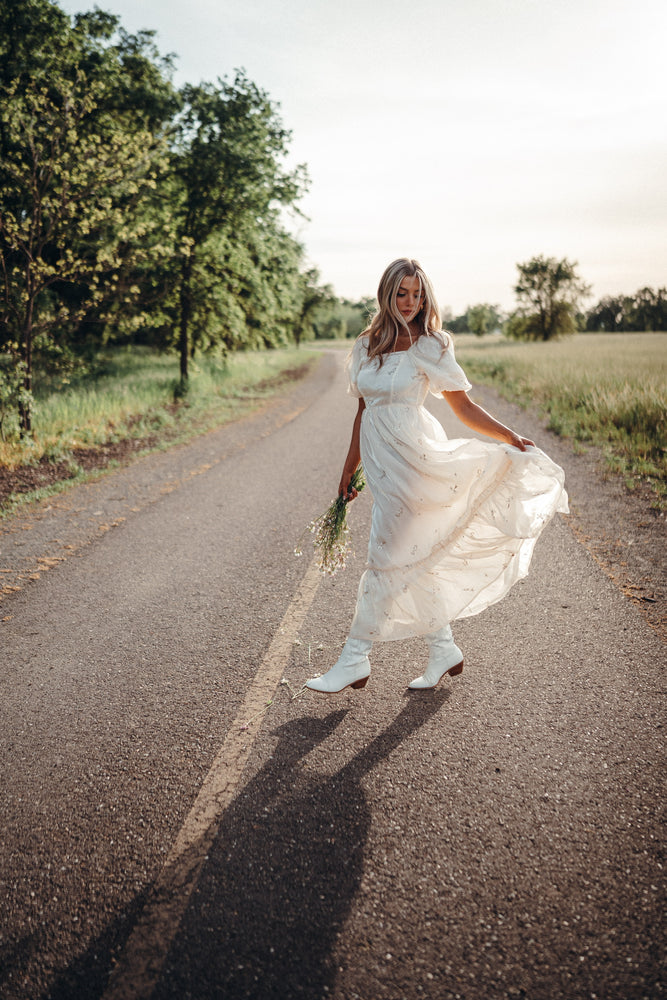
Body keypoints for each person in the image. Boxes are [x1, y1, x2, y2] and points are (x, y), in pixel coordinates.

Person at [306, 257, 569, 694]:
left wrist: (510, 436)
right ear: (386, 294)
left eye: (417, 294)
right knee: (412, 553)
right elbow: (361, 412)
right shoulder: (365, 346)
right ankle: (443, 648)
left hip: (416, 459)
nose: (410, 302)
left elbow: (462, 407)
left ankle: (354, 658)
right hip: (381, 463)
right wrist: (347, 472)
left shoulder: (431, 344)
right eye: (402, 293)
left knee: (386, 553)